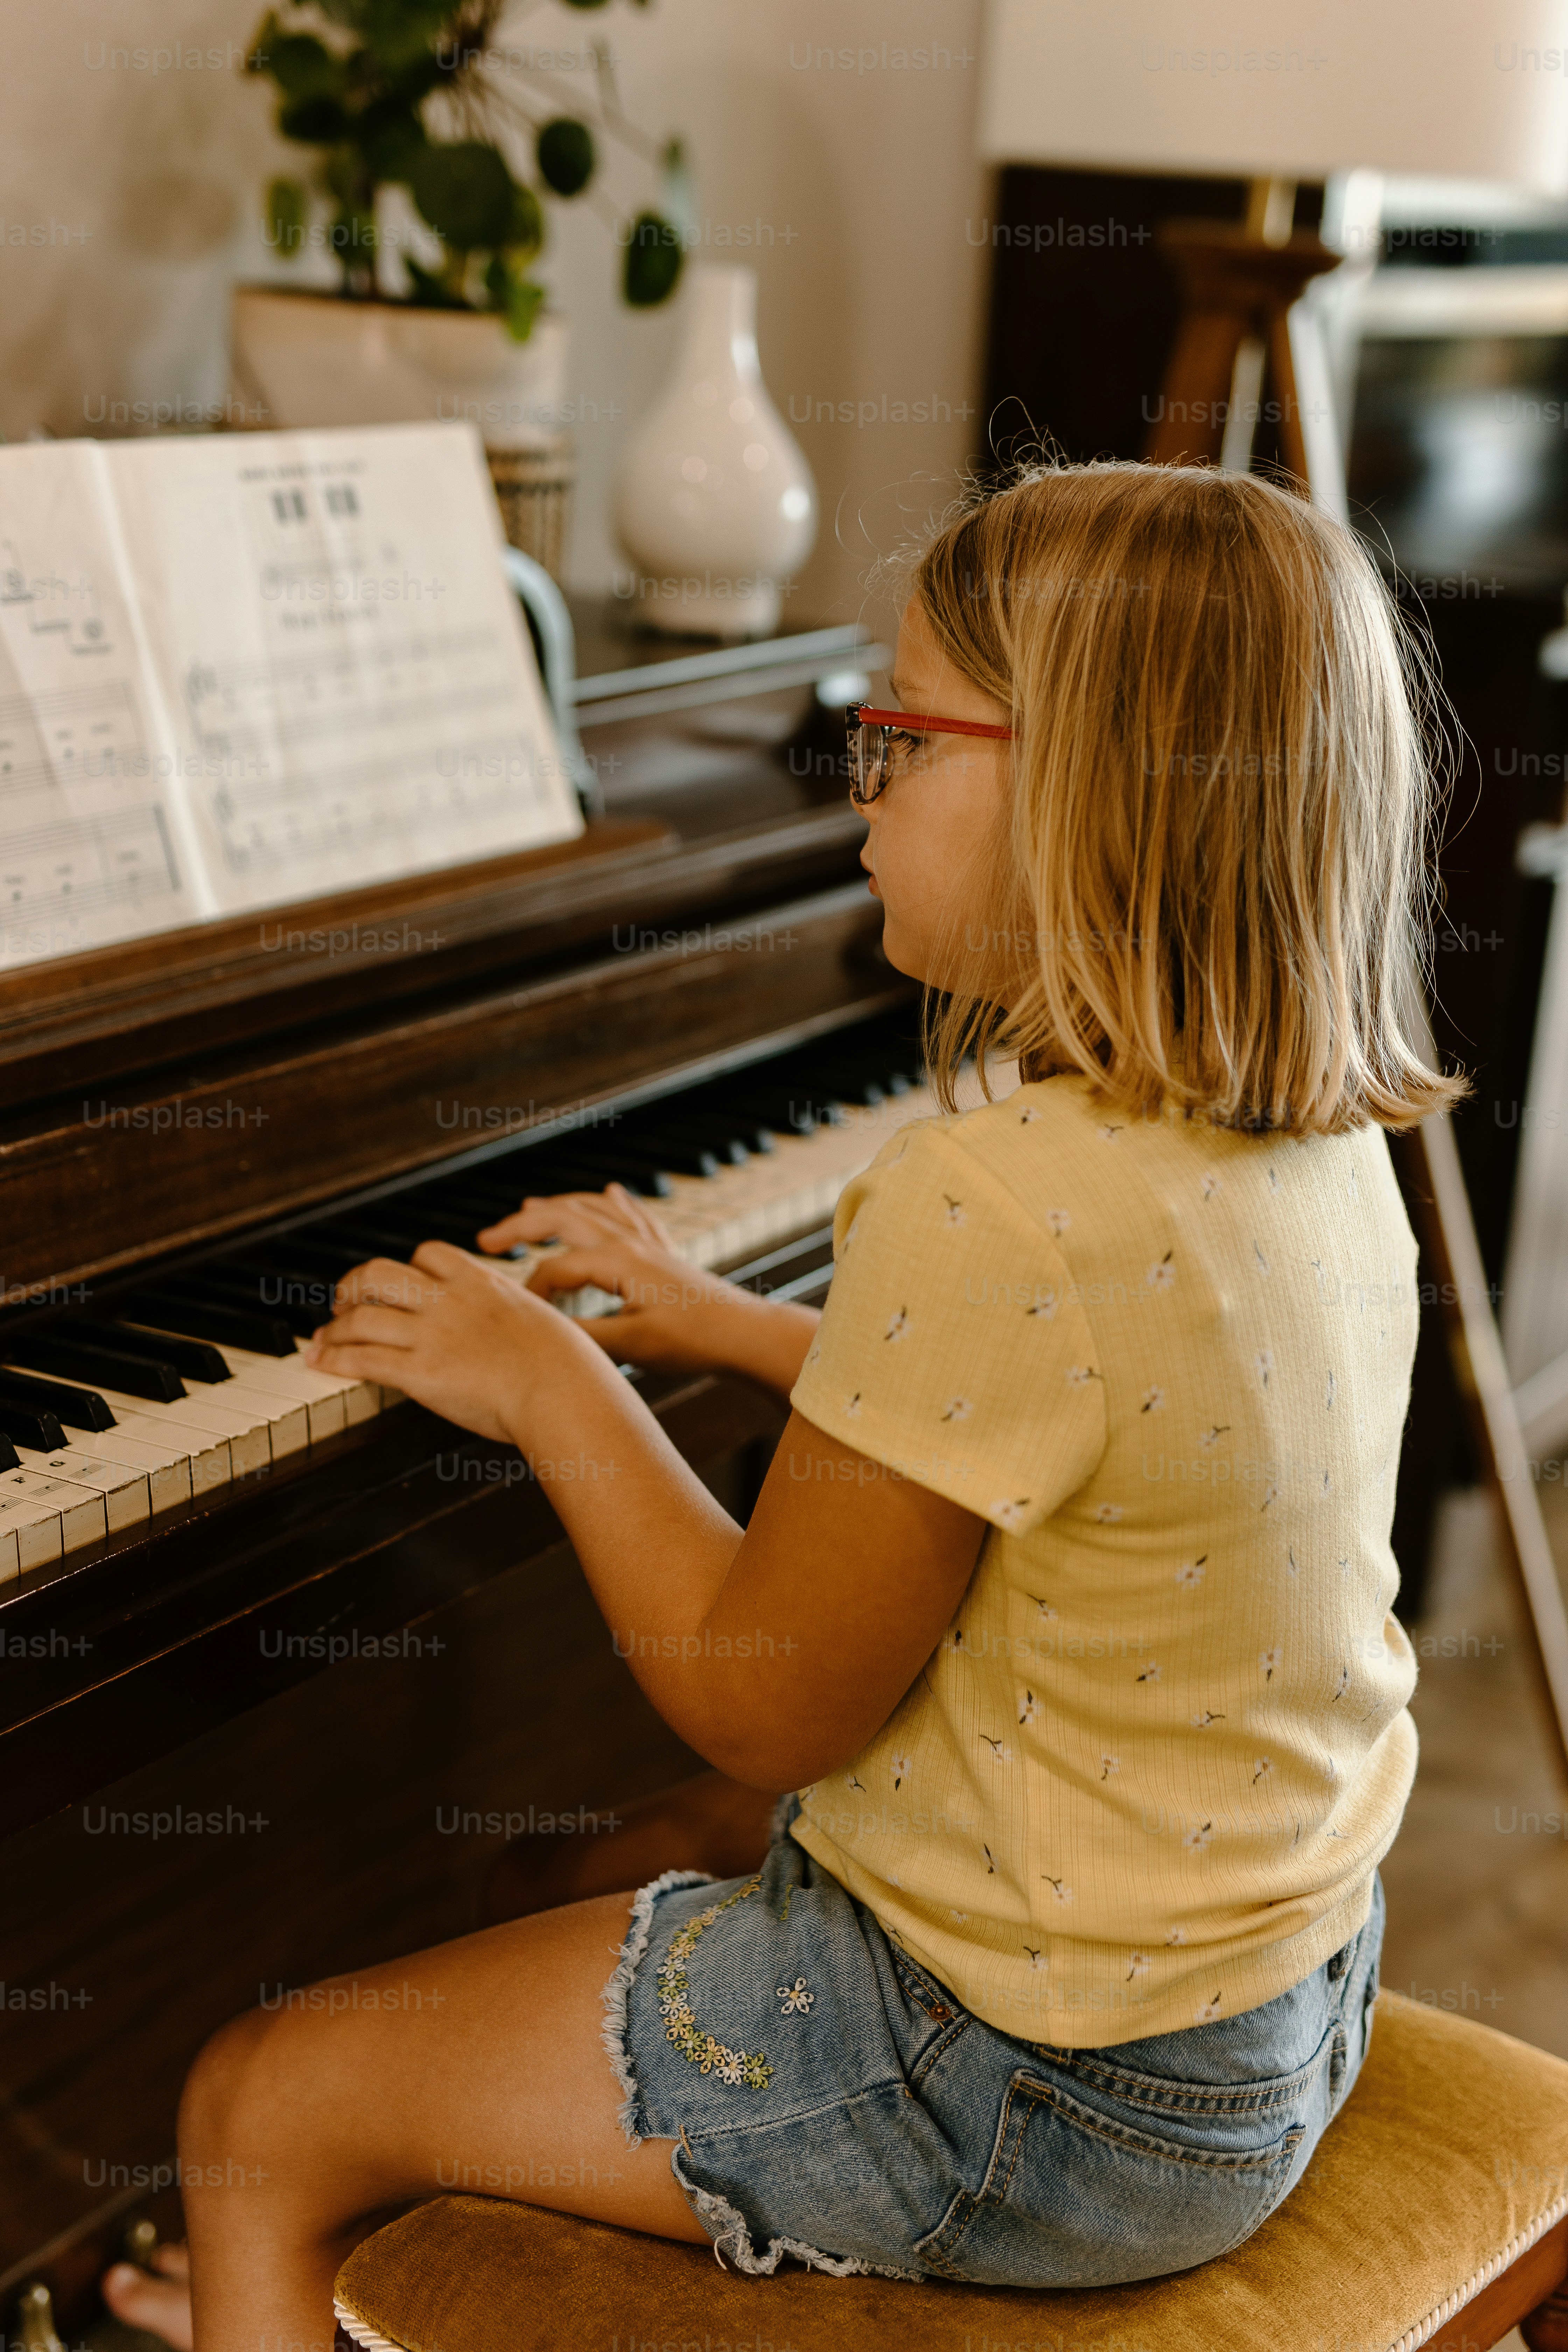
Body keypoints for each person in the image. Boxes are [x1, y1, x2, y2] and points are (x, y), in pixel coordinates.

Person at [104, 460, 1463, 2351]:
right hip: (1257, 2013)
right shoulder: (1311, 1147)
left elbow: (766, 1692)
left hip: (1021, 2102)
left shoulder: (991, 1202)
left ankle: (275, 2257)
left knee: (259, 2099)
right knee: (610, 1852)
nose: (864, 792)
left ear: (1085, 782)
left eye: (898, 734)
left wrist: (556, 1377)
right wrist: (724, 1325)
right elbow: (1076, 1433)